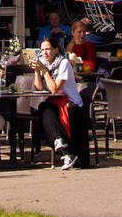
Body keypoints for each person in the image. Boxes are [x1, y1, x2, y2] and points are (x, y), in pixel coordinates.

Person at [32, 35, 87, 169]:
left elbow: (55, 89)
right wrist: (36, 71)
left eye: (48, 49)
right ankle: (64, 149)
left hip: (72, 104)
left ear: (56, 50)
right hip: (56, 103)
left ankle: (65, 149)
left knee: (45, 109)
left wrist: (44, 72)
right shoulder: (44, 63)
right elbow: (39, 88)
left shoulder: (63, 63)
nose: (45, 53)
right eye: (42, 50)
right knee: (44, 108)